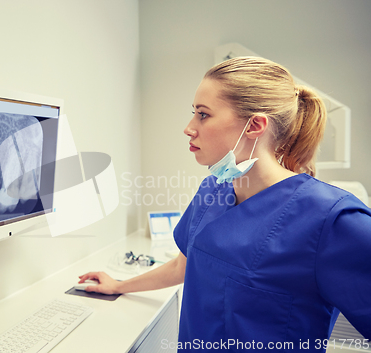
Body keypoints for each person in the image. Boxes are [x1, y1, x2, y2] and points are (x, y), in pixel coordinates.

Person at [79, 57, 371, 351]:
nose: (189, 128)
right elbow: (185, 264)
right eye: (193, 113)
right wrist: (118, 285)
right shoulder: (213, 189)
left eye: (203, 115)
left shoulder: (331, 219)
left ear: (254, 125)